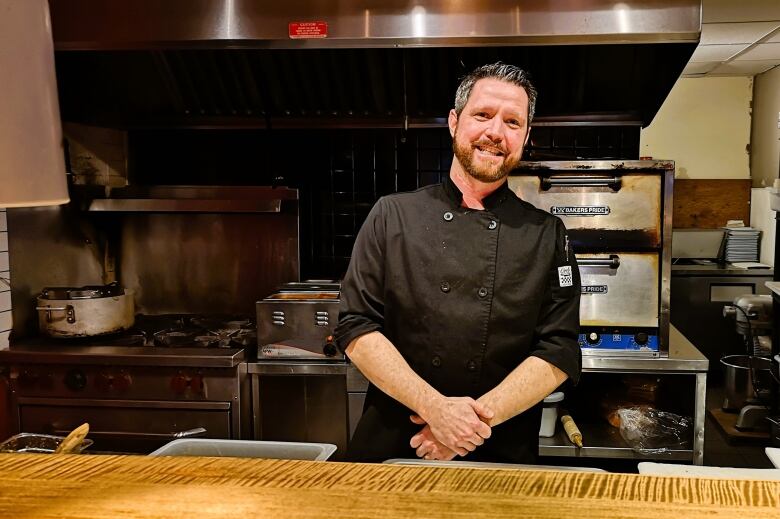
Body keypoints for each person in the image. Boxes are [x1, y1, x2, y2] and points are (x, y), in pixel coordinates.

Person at [334, 62, 581, 464]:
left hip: (501, 449)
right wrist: (436, 409)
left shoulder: (547, 233)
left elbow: (560, 349)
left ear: (526, 137)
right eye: (482, 115)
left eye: (512, 122)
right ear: (454, 122)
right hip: (398, 441)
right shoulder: (391, 215)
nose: (495, 133)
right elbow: (356, 325)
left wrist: (467, 427)